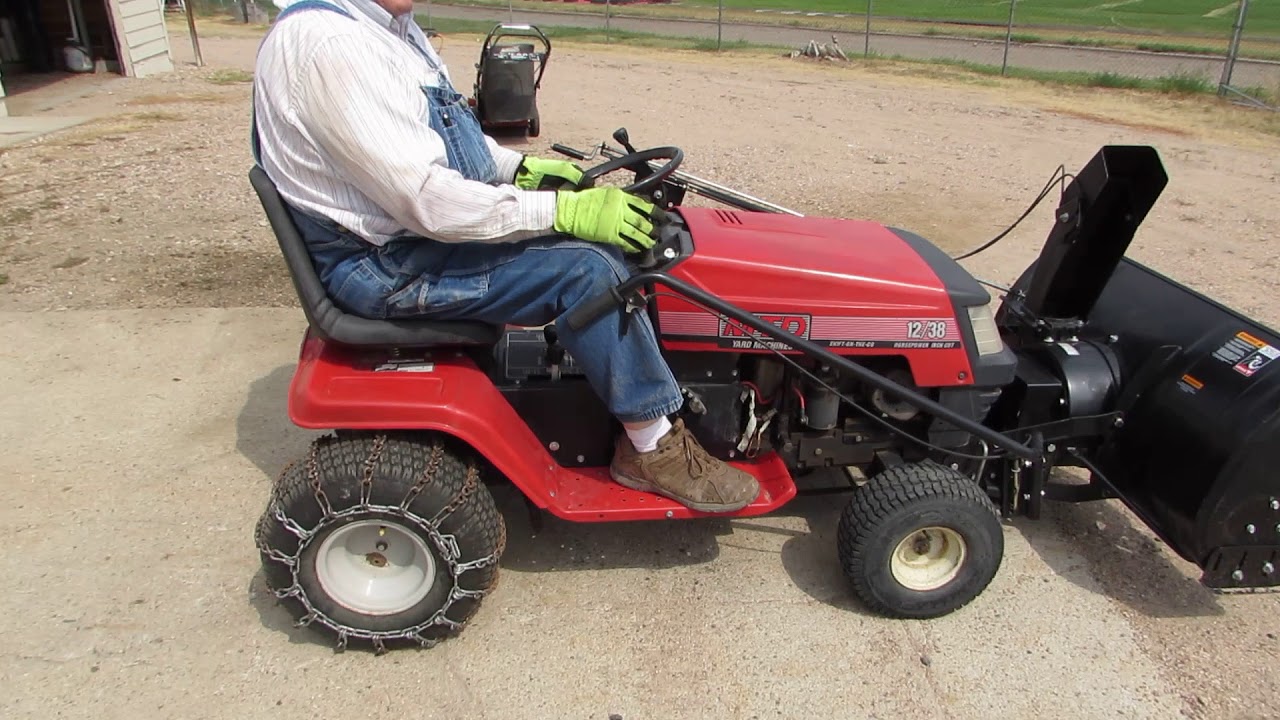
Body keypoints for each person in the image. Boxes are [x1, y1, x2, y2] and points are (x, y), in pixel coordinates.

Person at [252, 0, 760, 513]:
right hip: (387, 265)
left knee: (609, 243)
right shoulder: (333, 48)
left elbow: (447, 142)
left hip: (403, 234)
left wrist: (522, 170)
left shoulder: (389, 30)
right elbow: (428, 200)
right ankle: (650, 444)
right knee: (592, 271)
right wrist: (562, 211)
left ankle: (631, 376)